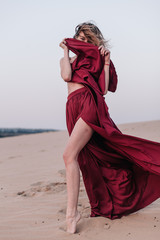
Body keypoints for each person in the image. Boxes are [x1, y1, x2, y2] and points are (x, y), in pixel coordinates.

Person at [59, 22, 160, 234]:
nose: (83, 42)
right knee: (90, 158)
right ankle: (103, 200)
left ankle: (71, 214)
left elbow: (103, 90)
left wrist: (105, 62)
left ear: (94, 43)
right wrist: (67, 49)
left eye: (88, 40)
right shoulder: (66, 60)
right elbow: (67, 76)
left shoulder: (96, 60)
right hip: (72, 108)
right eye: (80, 38)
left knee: (69, 155)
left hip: (89, 104)